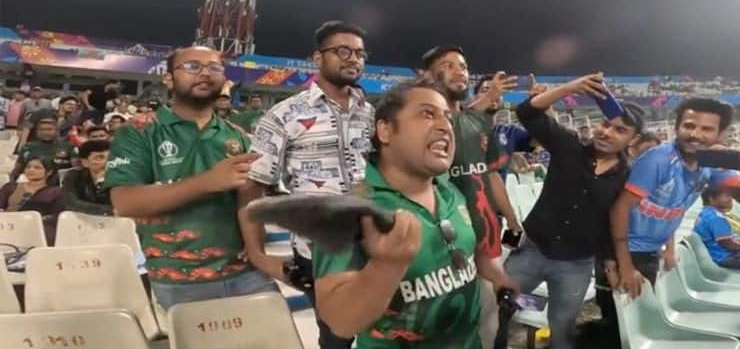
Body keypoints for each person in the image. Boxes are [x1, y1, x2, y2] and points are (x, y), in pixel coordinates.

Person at [313, 79, 517, 349]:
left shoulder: (451, 192)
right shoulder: (349, 214)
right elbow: (340, 322)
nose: (446, 126)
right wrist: (386, 266)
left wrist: (499, 278)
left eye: (447, 116)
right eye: (427, 114)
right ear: (385, 131)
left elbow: (466, 253)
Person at [104, 46, 283, 310]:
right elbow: (126, 203)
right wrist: (208, 181)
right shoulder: (139, 132)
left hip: (245, 273)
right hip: (180, 279)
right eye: (192, 67)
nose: (204, 74)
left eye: (214, 68)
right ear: (168, 79)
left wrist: (256, 252)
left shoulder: (238, 136)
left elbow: (248, 201)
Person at [241, 20, 373, 349]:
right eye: (342, 51)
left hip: (376, 243)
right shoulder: (284, 115)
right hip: (319, 252)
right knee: (336, 339)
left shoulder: (372, 115)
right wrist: (257, 253)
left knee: (383, 333)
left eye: (359, 53)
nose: (353, 59)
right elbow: (252, 185)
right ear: (317, 58)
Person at [495, 73, 644, 349]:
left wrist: (610, 262)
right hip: (531, 252)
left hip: (576, 266)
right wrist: (571, 88)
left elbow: (612, 223)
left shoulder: (627, 176)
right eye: (605, 124)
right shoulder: (569, 145)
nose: (607, 132)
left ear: (632, 142)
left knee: (562, 330)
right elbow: (527, 112)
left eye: (620, 130)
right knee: (501, 310)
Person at [610, 98, 740, 298]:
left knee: (642, 306)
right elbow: (620, 209)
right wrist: (625, 265)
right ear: (677, 128)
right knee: (622, 318)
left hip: (651, 250)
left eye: (707, 129)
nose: (695, 135)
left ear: (720, 135)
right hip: (623, 251)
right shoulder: (658, 160)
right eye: (689, 126)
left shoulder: (710, 162)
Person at [420, 45, 521, 349]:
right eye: (448, 65)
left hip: (485, 240)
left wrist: (514, 221)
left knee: (487, 324)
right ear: (427, 75)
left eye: (462, 65)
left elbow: (490, 176)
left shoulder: (479, 123)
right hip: (442, 246)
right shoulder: (421, 126)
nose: (459, 70)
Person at [473, 75, 533, 182]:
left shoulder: (509, 133)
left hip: (497, 196)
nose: (494, 94)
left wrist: (538, 106)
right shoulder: (459, 128)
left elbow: (546, 137)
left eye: (497, 91)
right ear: (474, 98)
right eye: (486, 90)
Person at [0, 156, 64, 244]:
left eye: (37, 168)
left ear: (49, 172)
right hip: (7, 226)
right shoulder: (10, 187)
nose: (31, 170)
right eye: (28, 167)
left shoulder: (55, 192)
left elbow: (55, 215)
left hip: (35, 228)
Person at [10, 116, 79, 185]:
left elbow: (77, 169)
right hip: (34, 187)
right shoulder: (28, 147)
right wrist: (11, 184)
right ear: (36, 131)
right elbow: (17, 170)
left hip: (60, 187)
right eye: (42, 130)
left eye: (49, 129)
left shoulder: (68, 146)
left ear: (57, 131)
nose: (45, 132)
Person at [62, 140, 113, 215]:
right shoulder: (73, 176)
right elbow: (71, 203)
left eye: (110, 157)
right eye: (99, 158)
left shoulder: (122, 177)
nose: (107, 162)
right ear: (85, 162)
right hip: (82, 221)